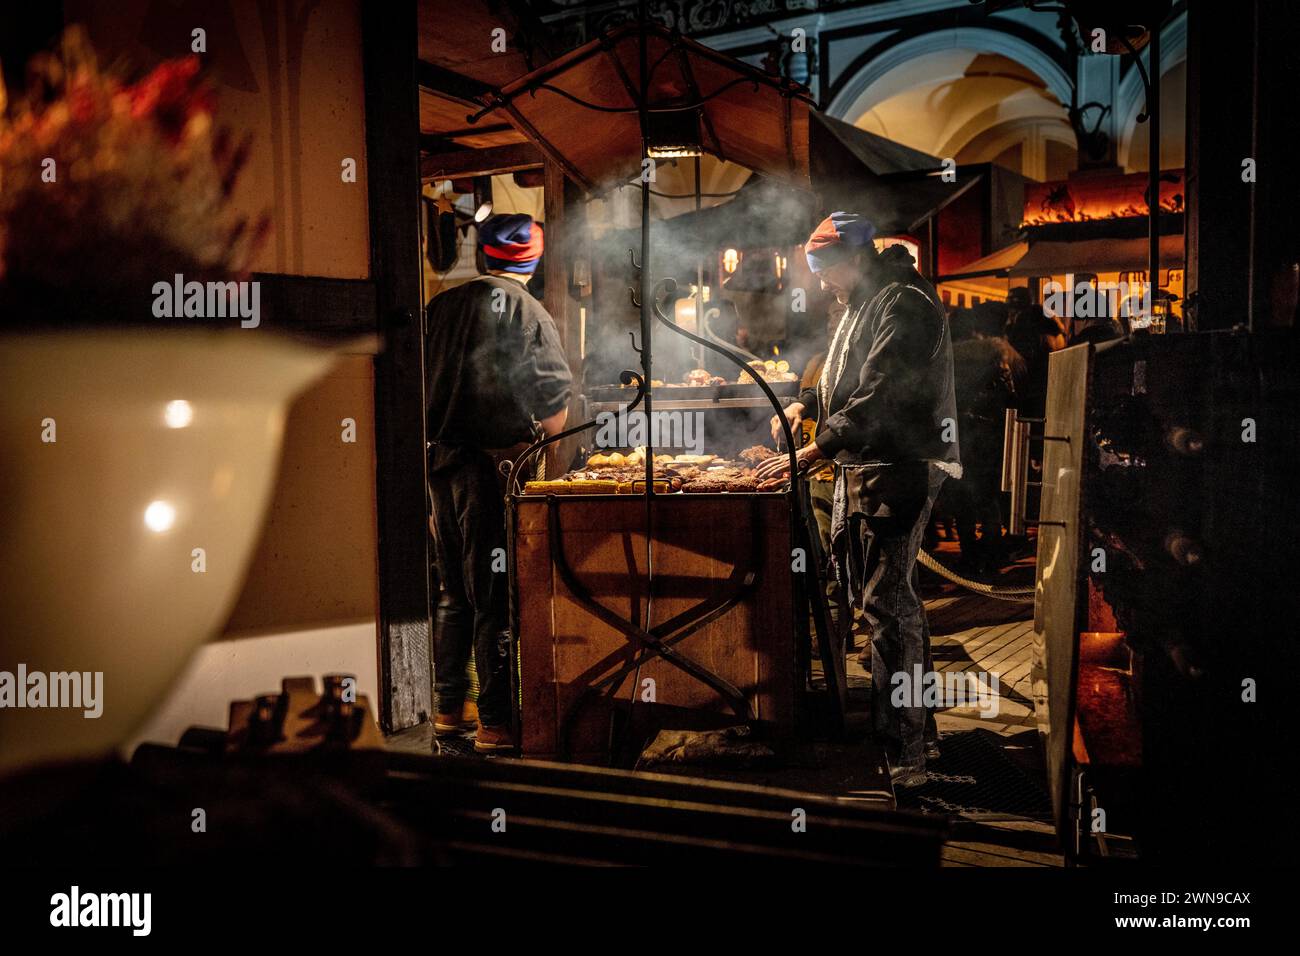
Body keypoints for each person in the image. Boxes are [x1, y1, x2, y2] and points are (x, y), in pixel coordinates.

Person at [757, 212, 961, 787]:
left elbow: (881, 394)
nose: (820, 282)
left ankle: (905, 756)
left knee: (887, 607)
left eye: (824, 270)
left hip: (901, 465)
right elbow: (843, 378)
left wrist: (813, 451)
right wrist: (809, 406)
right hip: (867, 465)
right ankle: (920, 735)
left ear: (852, 259)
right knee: (887, 602)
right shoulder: (860, 301)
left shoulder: (905, 303)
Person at [424, 213, 572, 753]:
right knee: (495, 596)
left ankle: (446, 708)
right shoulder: (527, 309)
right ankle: (496, 722)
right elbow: (553, 403)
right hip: (493, 470)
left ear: (483, 256)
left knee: (453, 591)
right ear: (532, 262)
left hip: (440, 465)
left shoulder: (439, 306)